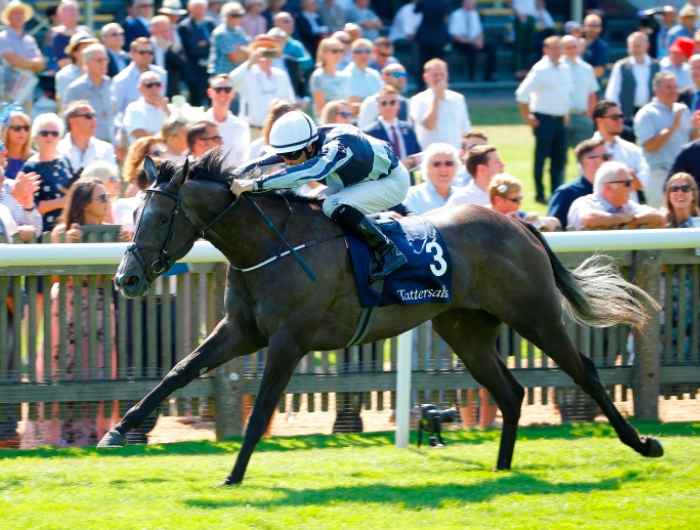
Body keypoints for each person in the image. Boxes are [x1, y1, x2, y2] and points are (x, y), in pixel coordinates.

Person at [231, 110, 411, 280]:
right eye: (283, 154)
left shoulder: (339, 145)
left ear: (310, 147)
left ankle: (388, 251)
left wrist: (255, 184)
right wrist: (237, 173)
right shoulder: (305, 143)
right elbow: (270, 159)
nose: (287, 161)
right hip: (354, 180)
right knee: (311, 204)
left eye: (291, 155)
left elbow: (312, 171)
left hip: (391, 181)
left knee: (332, 205)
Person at [48, 178, 120, 447]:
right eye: (101, 198)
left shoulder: (112, 233)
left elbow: (119, 275)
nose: (106, 202)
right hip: (68, 304)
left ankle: (94, 433)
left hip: (101, 303)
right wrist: (68, 245)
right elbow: (54, 274)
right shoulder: (61, 231)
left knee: (99, 365)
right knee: (65, 366)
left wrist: (123, 246)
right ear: (85, 203)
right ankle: (62, 434)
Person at [516, 36, 572, 203]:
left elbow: (565, 94)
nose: (556, 51)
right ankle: (540, 193)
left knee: (559, 159)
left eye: (559, 48)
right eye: (553, 48)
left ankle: (556, 192)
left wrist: (566, 113)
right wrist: (528, 116)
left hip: (561, 119)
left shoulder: (565, 67)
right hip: (544, 119)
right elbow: (522, 94)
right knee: (541, 158)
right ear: (545, 50)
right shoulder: (540, 69)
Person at [634, 71, 700, 207]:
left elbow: (690, 141)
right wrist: (673, 127)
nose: (674, 91)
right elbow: (649, 146)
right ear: (656, 90)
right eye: (669, 87)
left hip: (684, 176)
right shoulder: (646, 114)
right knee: (661, 220)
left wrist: (695, 128)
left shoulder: (683, 109)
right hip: (659, 174)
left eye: (675, 87)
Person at [229, 35, 296, 139]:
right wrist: (250, 61)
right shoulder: (247, 72)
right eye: (261, 52)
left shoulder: (281, 74)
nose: (265, 56)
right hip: (252, 131)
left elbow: (290, 102)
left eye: (269, 51)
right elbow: (229, 82)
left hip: (277, 131)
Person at [567, 161, 666, 231]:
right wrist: (622, 219)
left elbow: (658, 217)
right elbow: (588, 219)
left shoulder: (626, 205)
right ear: (608, 187)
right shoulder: (584, 202)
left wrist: (633, 219)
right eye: (627, 183)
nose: (632, 187)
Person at [22, 113, 76, 232]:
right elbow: (30, 206)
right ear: (36, 137)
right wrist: (62, 202)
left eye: (55, 134)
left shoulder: (65, 161)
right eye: (44, 133)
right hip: (44, 231)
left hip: (68, 229)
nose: (50, 137)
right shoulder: (30, 167)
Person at [605, 32, 659, 138]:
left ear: (647, 46)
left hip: (651, 115)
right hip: (626, 116)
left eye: (638, 45)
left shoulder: (657, 66)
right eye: (633, 46)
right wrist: (617, 115)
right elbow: (612, 93)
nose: (635, 49)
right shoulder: (620, 66)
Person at [591, 100, 650, 197]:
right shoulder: (588, 150)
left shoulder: (632, 149)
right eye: (615, 117)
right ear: (599, 121)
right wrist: (628, 177)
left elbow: (643, 183)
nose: (620, 121)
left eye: (621, 117)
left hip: (630, 210)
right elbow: (590, 182)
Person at [409, 58, 471, 150]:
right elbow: (429, 125)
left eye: (442, 74)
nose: (439, 78)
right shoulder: (417, 100)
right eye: (435, 75)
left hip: (454, 154)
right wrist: (436, 98)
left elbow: (465, 129)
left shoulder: (458, 98)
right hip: (428, 155)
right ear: (425, 77)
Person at [548, 137, 608, 229]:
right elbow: (552, 228)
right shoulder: (566, 192)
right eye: (605, 157)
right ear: (588, 160)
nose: (609, 160)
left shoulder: (612, 189)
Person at [63, 44, 115, 143]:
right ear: (87, 63)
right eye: (99, 60)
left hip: (111, 142)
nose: (104, 63)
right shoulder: (75, 89)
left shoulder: (112, 84)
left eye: (105, 60)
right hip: (87, 144)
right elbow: (68, 121)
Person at [363, 85, 420, 173]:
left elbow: (417, 154)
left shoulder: (409, 129)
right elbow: (369, 162)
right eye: (384, 103)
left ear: (398, 105)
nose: (388, 106)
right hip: (385, 181)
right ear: (378, 106)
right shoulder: (369, 133)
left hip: (409, 177)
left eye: (392, 102)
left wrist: (412, 162)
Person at [112, 37, 168, 116]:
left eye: (150, 52)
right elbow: (117, 112)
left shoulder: (161, 74)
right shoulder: (121, 79)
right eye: (142, 52)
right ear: (132, 54)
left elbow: (162, 102)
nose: (147, 55)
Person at [58, 101, 117, 174]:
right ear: (73, 121)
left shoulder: (106, 149)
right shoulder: (57, 149)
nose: (94, 120)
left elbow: (113, 179)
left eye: (94, 116)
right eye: (88, 116)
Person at [561, 35, 598, 150]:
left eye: (574, 47)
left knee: (586, 156)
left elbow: (592, 94)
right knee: (559, 157)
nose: (572, 50)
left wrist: (590, 116)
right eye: (568, 48)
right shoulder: (555, 68)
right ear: (561, 49)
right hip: (561, 118)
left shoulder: (587, 69)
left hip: (582, 117)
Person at [205, 74, 250, 167]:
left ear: (233, 93)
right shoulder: (200, 122)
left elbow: (244, 159)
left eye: (227, 89)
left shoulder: (241, 126)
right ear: (210, 92)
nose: (223, 93)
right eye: (218, 89)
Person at [402, 143, 460, 214]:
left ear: (457, 167)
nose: (443, 169)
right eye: (436, 164)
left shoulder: (463, 195)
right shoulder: (412, 196)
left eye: (449, 163)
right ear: (426, 168)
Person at [177, 0, 216, 106]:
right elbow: (191, 49)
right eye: (197, 8)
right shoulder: (184, 26)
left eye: (202, 8)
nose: (200, 11)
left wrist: (204, 44)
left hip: (209, 69)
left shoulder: (210, 23)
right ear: (190, 9)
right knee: (196, 102)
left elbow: (214, 44)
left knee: (212, 100)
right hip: (194, 71)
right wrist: (206, 45)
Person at [490, 174, 560, 231]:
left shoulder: (519, 215)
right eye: (515, 200)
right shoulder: (485, 220)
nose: (519, 203)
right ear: (498, 200)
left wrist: (535, 222)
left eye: (520, 198)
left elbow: (554, 222)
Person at [448, 0, 496, 82]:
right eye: (470, 3)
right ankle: (472, 77)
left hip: (474, 40)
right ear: (463, 3)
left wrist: (480, 40)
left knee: (492, 47)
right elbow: (455, 36)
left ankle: (489, 75)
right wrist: (472, 42)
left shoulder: (475, 13)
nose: (472, 4)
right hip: (460, 42)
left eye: (473, 3)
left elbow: (479, 31)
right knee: (471, 49)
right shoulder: (456, 15)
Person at [0, 1, 46, 80]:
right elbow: (14, 62)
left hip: (31, 85)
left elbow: (41, 64)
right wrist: (34, 64)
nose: (19, 16)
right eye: (16, 13)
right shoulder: (2, 37)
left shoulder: (30, 39)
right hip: (9, 86)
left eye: (21, 13)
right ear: (8, 17)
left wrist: (26, 63)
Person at [123, 71, 171, 145]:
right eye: (149, 85)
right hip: (145, 154)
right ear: (140, 89)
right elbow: (141, 136)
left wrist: (166, 110)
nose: (154, 88)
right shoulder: (134, 108)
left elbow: (180, 131)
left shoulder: (170, 108)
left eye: (158, 84)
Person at [357, 63, 409, 129]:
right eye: (397, 74)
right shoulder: (371, 102)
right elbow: (363, 130)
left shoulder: (405, 103)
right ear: (384, 76)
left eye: (404, 75)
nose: (402, 78)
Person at [149, 14, 188, 100]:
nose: (165, 33)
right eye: (161, 30)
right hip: (150, 88)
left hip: (170, 90)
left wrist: (169, 49)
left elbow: (183, 64)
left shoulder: (173, 46)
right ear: (152, 30)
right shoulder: (145, 46)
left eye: (167, 30)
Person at [309, 36, 350, 118]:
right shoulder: (318, 76)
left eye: (341, 51)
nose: (339, 54)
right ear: (323, 53)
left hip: (345, 121)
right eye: (335, 51)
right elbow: (320, 109)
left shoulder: (345, 75)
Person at [412, 0, 451, 87]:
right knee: (440, 62)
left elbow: (415, 11)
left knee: (423, 63)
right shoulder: (444, 2)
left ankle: (422, 86)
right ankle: (440, 85)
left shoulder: (423, 1)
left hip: (425, 36)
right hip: (439, 36)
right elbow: (446, 17)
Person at [55, 32, 98, 105]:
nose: (90, 53)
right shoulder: (64, 75)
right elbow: (67, 105)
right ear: (74, 53)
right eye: (85, 48)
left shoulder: (100, 70)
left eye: (91, 49)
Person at [209, 1, 250, 75]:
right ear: (225, 16)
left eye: (240, 15)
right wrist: (248, 54)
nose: (237, 18)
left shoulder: (239, 30)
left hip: (236, 73)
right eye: (234, 15)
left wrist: (244, 51)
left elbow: (250, 47)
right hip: (222, 75)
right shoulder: (221, 33)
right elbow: (234, 58)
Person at [343, 38, 382, 112]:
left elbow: (383, 98)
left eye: (367, 51)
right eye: (358, 51)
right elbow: (352, 105)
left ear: (372, 54)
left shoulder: (375, 74)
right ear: (352, 54)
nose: (363, 55)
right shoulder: (346, 75)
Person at [48, 1, 87, 71]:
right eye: (70, 10)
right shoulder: (55, 34)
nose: (74, 12)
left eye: (75, 10)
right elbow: (61, 62)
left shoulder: (86, 32)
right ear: (60, 14)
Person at [1, 110, 33, 179]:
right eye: (17, 128)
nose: (22, 132)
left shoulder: (34, 158)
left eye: (26, 128)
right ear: (6, 131)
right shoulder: (1, 156)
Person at [511, 0, 537, 80]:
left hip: (531, 17)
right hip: (520, 17)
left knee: (529, 46)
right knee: (519, 45)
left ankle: (527, 70)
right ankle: (518, 70)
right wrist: (519, 14)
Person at [582, 12, 608, 80]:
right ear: (584, 27)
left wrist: (579, 73)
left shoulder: (602, 47)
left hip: (592, 86)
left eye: (596, 26)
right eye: (590, 25)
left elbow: (599, 72)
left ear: (600, 28)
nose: (592, 29)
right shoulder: (575, 43)